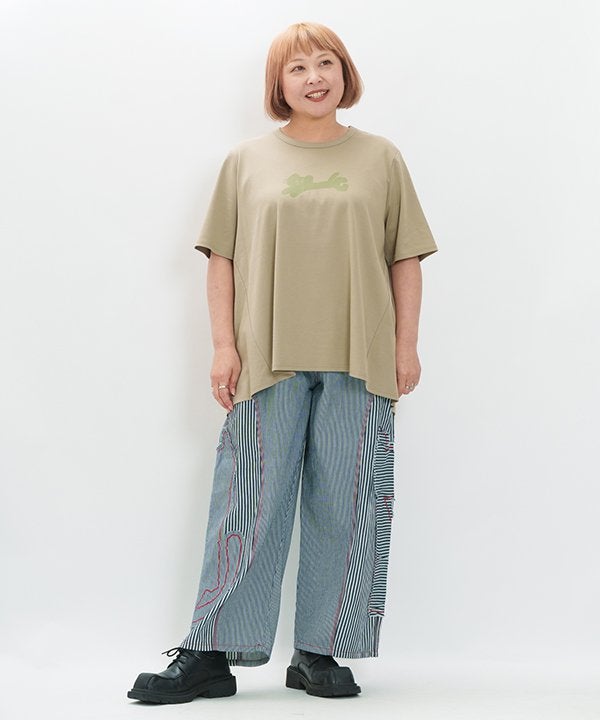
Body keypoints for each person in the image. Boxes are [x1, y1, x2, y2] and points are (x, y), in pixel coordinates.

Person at [127, 21, 438, 704]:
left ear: (344, 73)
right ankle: (211, 653)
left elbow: (405, 257)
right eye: (297, 68)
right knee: (247, 503)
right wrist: (223, 345)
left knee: (348, 505)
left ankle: (319, 652)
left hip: (360, 359)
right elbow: (222, 259)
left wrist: (405, 344)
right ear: (278, 84)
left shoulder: (381, 158)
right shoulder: (246, 162)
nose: (314, 77)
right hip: (266, 360)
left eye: (325, 62)